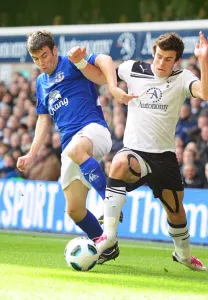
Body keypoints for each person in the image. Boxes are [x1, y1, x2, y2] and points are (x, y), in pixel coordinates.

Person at [70, 31, 208, 270]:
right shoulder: (133, 69)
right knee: (119, 162)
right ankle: (109, 236)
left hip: (164, 157)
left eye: (168, 59)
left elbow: (205, 93)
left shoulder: (183, 77)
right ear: (153, 53)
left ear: (177, 61)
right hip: (135, 152)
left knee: (177, 213)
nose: (161, 63)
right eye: (159, 56)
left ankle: (183, 256)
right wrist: (82, 63)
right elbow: (100, 74)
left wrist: (204, 60)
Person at [16, 30, 131, 263]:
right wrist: (31, 153)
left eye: (45, 56)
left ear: (54, 50)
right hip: (72, 146)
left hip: (94, 130)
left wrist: (111, 85)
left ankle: (109, 201)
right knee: (74, 210)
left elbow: (106, 60)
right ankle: (106, 246)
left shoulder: (71, 61)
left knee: (75, 150)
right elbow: (43, 119)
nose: (41, 63)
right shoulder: (40, 83)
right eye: (36, 59)